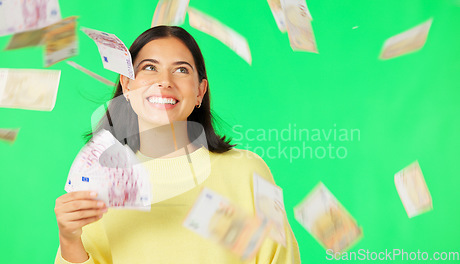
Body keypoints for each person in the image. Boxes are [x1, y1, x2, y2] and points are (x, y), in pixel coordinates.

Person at [54, 25, 301, 264]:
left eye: (181, 70)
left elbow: (280, 258)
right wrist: (69, 239)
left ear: (200, 92)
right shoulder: (99, 181)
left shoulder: (248, 172)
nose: (164, 81)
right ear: (127, 85)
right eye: (150, 67)